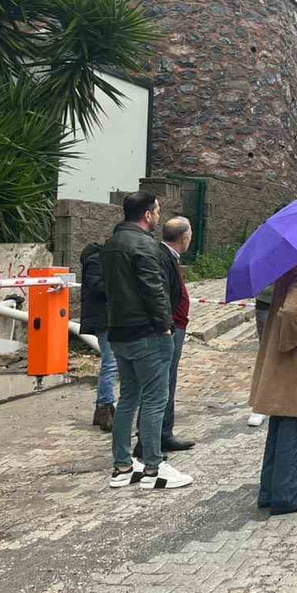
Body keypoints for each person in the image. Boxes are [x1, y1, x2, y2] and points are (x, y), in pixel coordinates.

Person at [100, 192, 191, 490]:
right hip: (147, 334)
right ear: (148, 214)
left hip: (119, 331)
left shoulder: (111, 244)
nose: (158, 216)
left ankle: (123, 466)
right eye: (157, 211)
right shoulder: (145, 246)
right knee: (154, 400)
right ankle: (154, 467)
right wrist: (165, 326)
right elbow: (155, 290)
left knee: (127, 399)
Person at [250, 244, 297, 515]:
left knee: (280, 424)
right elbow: (292, 311)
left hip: (286, 362)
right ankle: (289, 493)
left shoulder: (296, 270)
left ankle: (270, 490)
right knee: (295, 424)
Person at [136, 217, 196, 455]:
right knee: (159, 384)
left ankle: (164, 433)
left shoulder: (169, 256)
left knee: (168, 381)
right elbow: (160, 295)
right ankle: (148, 440)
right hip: (167, 329)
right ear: (185, 238)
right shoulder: (162, 257)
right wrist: (167, 325)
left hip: (174, 326)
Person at [79, 241, 117, 432]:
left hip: (108, 317)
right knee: (110, 363)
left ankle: (104, 408)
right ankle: (104, 407)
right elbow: (97, 287)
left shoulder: (100, 260)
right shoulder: (96, 260)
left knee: (112, 363)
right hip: (104, 319)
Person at [247, 285, 274, 426]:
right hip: (267, 303)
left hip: (294, 301)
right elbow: (256, 281)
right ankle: (261, 405)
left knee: (296, 354)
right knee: (266, 354)